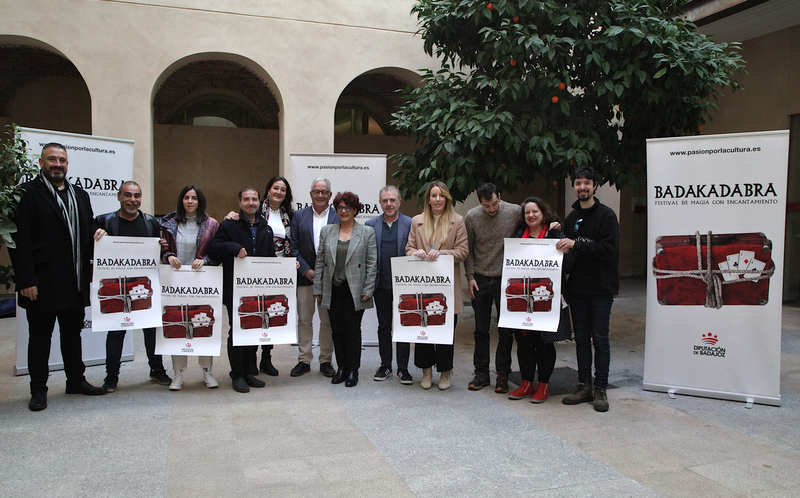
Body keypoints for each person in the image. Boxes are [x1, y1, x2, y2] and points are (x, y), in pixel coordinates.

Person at [10, 143, 107, 411]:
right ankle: (38, 390)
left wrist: (96, 231)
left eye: (62, 160)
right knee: (40, 338)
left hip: (74, 280)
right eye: (52, 159)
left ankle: (75, 380)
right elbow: (18, 239)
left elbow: (87, 225)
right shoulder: (27, 193)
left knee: (72, 334)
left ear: (67, 164)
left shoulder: (80, 194)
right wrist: (26, 280)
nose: (57, 164)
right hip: (41, 282)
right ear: (41, 162)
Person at [96, 181, 171, 392]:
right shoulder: (104, 222)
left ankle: (156, 369)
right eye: (128, 195)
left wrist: (162, 248)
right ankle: (111, 375)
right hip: (116, 286)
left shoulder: (150, 222)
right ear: (119, 196)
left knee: (150, 328)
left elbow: (156, 252)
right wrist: (97, 236)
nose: (132, 200)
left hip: (144, 285)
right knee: (116, 331)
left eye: (137, 195)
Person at [556, 166, 619, 412]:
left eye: (586, 183)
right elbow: (570, 252)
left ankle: (601, 388)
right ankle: (584, 386)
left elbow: (608, 249)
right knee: (581, 338)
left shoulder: (607, 215)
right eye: (578, 183)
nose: (582, 187)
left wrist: (577, 243)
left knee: (600, 339)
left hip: (602, 288)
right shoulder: (571, 218)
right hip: (579, 289)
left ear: (594, 186)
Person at [209, 187, 276, 392]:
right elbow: (214, 249)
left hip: (258, 290)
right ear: (239, 203)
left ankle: (249, 372)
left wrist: (288, 268)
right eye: (246, 199)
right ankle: (237, 374)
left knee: (253, 330)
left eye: (254, 199)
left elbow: (271, 257)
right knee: (238, 331)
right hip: (235, 289)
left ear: (259, 202)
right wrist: (233, 247)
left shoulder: (266, 228)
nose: (250, 203)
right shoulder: (229, 225)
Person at [507, 197, 572, 403]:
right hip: (523, 299)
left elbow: (569, 265)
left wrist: (567, 252)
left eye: (535, 211)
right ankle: (526, 383)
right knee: (524, 341)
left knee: (544, 343)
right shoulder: (519, 235)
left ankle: (543, 386)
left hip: (546, 298)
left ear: (543, 212)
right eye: (527, 212)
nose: (531, 215)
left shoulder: (554, 234)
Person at [406, 181, 468, 390]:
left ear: (447, 199)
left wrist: (442, 253)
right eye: (434, 195)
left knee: (444, 331)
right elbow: (408, 249)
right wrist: (415, 253)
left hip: (446, 287)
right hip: (422, 285)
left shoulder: (457, 221)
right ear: (428, 199)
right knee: (423, 327)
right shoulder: (417, 221)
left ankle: (445, 373)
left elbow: (462, 252)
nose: (438, 199)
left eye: (442, 196)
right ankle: (426, 371)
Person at [159, 184, 220, 390]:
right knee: (177, 324)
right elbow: (162, 249)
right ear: (181, 200)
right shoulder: (168, 223)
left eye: (194, 198)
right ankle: (178, 374)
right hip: (176, 283)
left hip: (202, 282)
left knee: (203, 322)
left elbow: (216, 250)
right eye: (186, 197)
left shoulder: (211, 224)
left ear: (200, 201)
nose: (190, 201)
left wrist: (206, 260)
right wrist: (169, 256)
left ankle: (207, 372)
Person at [314, 192, 377, 388]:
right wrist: (317, 286)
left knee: (352, 331)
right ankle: (341, 368)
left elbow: (372, 263)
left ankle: (352, 370)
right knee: (336, 330)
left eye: (347, 207)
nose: (343, 211)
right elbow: (320, 262)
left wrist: (368, 288)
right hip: (332, 289)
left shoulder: (366, 232)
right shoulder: (327, 231)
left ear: (355, 210)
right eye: (340, 207)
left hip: (355, 290)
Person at [463, 183, 520, 393]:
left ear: (500, 197)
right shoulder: (472, 216)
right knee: (481, 329)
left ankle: (503, 374)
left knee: (506, 330)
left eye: (495, 203)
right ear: (480, 202)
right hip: (480, 277)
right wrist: (469, 277)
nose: (492, 209)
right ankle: (481, 373)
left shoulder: (514, 211)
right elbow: (468, 249)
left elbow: (535, 220)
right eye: (487, 206)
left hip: (506, 278)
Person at [289, 178, 338, 378]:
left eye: (324, 192)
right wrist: (306, 270)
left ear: (330, 195)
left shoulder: (339, 216)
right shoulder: (298, 216)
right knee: (304, 320)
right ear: (310, 194)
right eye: (316, 191)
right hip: (304, 278)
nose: (320, 195)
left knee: (327, 322)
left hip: (329, 280)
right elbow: (292, 247)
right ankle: (304, 360)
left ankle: (326, 360)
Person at [365, 186, 413, 384]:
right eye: (385, 201)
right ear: (380, 203)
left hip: (404, 286)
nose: (389, 204)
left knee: (403, 326)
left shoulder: (411, 224)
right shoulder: (370, 225)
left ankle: (403, 368)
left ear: (400, 201)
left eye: (393, 200)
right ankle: (385, 365)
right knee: (384, 326)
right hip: (381, 285)